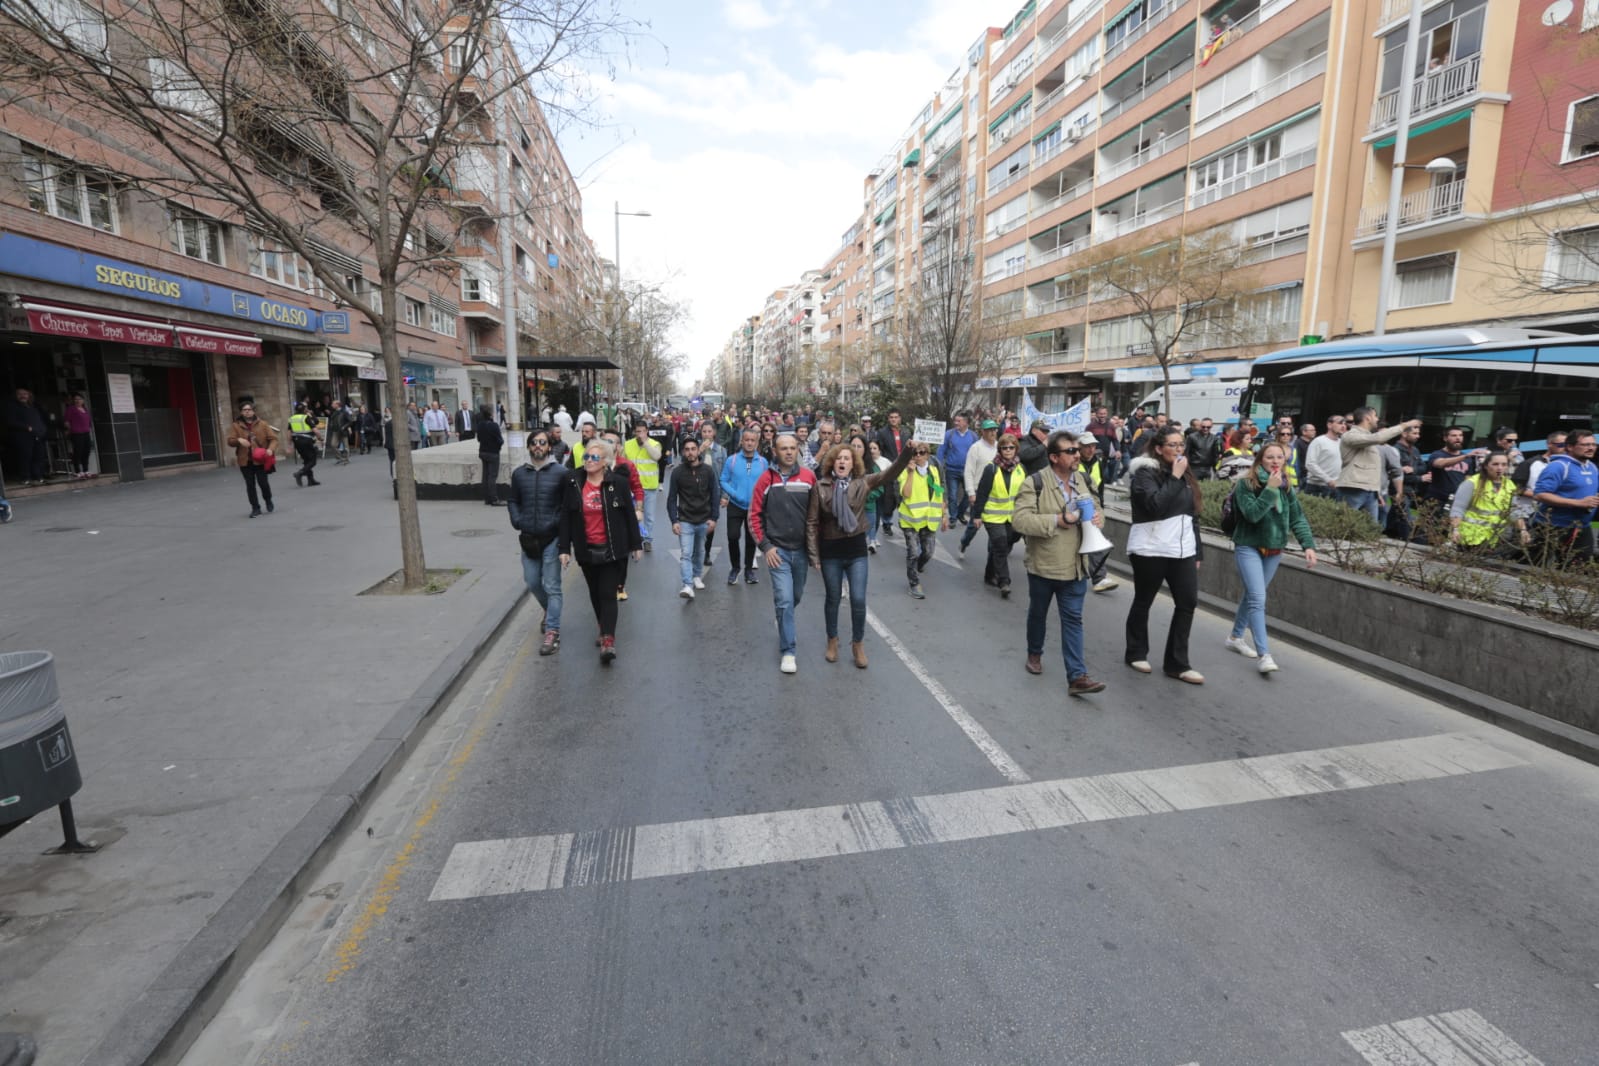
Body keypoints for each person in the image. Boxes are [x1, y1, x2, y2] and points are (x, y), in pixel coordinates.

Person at [1011, 431, 1107, 695]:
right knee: (1038, 613)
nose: (1078, 454)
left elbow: (1097, 507)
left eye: (1078, 450)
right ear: (1054, 457)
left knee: (1073, 619)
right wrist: (1057, 521)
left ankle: (1077, 677)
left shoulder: (1083, 479)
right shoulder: (1035, 483)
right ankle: (1034, 653)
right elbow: (1020, 521)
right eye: (1071, 451)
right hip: (1045, 565)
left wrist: (1099, 518)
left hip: (1077, 566)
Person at [807, 440, 915, 668]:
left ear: (853, 463)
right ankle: (832, 640)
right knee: (833, 598)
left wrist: (907, 452)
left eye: (847, 458)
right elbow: (812, 521)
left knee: (857, 598)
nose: (842, 462)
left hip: (856, 550)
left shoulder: (863, 483)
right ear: (832, 463)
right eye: (839, 458)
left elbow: (890, 473)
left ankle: (857, 644)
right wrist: (814, 555)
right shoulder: (821, 486)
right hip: (830, 552)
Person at [1224, 441, 1317, 674]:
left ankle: (1236, 637)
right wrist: (1270, 489)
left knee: (1253, 594)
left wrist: (1309, 545)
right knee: (1257, 598)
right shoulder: (1246, 483)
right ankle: (1265, 655)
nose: (1275, 461)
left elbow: (1297, 517)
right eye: (1269, 457)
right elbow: (1253, 515)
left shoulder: (1287, 485)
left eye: (1279, 457)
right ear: (1259, 460)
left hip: (1274, 549)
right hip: (1248, 545)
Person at [1125, 427, 1205, 684]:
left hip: (1182, 551)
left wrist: (1197, 552)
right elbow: (1154, 506)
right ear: (1159, 449)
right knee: (1144, 599)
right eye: (1172, 445)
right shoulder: (1144, 474)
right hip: (1151, 549)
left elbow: (1192, 516)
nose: (1179, 449)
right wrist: (1174, 477)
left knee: (1188, 602)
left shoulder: (1185, 476)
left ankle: (1177, 663)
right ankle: (1136, 652)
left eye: (1181, 445)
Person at [558, 439, 642, 664]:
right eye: (586, 456)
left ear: (605, 461)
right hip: (587, 548)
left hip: (613, 548)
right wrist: (564, 548)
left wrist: (636, 544)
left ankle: (608, 640)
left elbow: (629, 517)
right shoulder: (574, 482)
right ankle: (602, 626)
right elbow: (566, 515)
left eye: (594, 457)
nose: (589, 461)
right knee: (595, 594)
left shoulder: (619, 483)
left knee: (607, 593)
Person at [748, 434, 817, 674]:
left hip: (801, 551)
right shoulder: (766, 479)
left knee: (794, 596)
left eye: (792, 448)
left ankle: (783, 615)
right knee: (785, 600)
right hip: (778, 552)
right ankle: (788, 651)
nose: (789, 452)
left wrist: (816, 549)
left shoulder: (809, 477)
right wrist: (766, 546)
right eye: (783, 448)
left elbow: (816, 515)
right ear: (775, 451)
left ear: (798, 449)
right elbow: (754, 515)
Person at [508, 430, 570, 655]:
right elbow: (513, 500)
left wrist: (559, 532)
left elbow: (566, 507)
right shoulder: (519, 474)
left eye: (542, 443)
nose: (538, 446)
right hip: (528, 538)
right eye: (534, 443)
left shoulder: (561, 473)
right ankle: (549, 611)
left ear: (549, 447)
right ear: (529, 447)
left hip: (551, 538)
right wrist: (517, 520)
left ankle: (552, 631)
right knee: (533, 582)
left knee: (552, 585)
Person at [968, 433, 1025, 597]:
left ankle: (989, 573)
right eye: (1004, 448)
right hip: (993, 516)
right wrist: (977, 516)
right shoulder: (991, 468)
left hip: (1013, 517)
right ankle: (1004, 581)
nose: (1008, 451)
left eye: (1011, 447)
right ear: (999, 449)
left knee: (1004, 546)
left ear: (1016, 449)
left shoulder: (1021, 470)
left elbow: (1025, 494)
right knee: (1000, 544)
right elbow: (983, 494)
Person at [1532, 428, 1598, 564]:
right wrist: (1578, 503)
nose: (1591, 448)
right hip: (1552, 527)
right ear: (1570, 447)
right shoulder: (1558, 466)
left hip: (1582, 526)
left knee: (1578, 568)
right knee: (1536, 568)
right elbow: (1540, 494)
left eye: (1593, 444)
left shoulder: (1592, 467)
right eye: (1586, 445)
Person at [666, 436, 720, 600]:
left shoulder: (708, 471)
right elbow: (671, 498)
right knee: (686, 554)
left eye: (693, 449)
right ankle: (687, 585)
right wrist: (674, 521)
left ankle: (697, 575)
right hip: (685, 520)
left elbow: (715, 495)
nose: (690, 452)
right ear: (683, 452)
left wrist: (714, 518)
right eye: (687, 450)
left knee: (700, 551)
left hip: (704, 519)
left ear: (698, 451)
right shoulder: (677, 472)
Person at [1450, 451, 1526, 556]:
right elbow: (1458, 508)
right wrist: (1455, 529)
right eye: (1495, 464)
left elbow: (1514, 511)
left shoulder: (1509, 485)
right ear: (1486, 466)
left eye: (1504, 465)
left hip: (1493, 539)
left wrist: (1522, 530)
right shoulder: (1472, 483)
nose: (1500, 468)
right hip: (1468, 537)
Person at [897, 442, 947, 599]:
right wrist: (911, 473)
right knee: (912, 553)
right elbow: (905, 493)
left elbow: (938, 492)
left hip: (928, 520)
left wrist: (944, 514)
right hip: (910, 520)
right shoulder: (904, 472)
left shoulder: (933, 471)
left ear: (928, 454)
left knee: (928, 552)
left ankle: (919, 565)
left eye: (922, 452)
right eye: (915, 453)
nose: (918, 456)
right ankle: (914, 584)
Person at [720, 427, 768, 584]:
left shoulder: (762, 462)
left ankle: (749, 570)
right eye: (746, 440)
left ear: (756, 442)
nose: (749, 443)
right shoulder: (731, 460)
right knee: (733, 536)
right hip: (735, 505)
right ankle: (735, 568)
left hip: (754, 507)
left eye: (752, 440)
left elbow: (767, 483)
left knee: (751, 539)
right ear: (741, 441)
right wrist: (733, 494)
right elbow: (723, 480)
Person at [1076, 435, 1118, 592]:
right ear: (1079, 446)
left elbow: (1100, 488)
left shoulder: (1097, 463)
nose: (1091, 449)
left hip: (1091, 509)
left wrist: (1100, 508)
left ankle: (1099, 578)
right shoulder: (1072, 461)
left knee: (1094, 542)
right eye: (1087, 446)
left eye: (1093, 446)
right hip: (1073, 508)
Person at [227, 400, 279, 517]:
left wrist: (270, 449)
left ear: (253, 411)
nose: (247, 412)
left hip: (260, 459)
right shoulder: (236, 426)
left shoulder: (263, 424)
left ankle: (268, 499)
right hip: (245, 461)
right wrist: (239, 440)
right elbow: (230, 441)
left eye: (249, 410)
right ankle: (255, 507)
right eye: (244, 410)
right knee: (250, 485)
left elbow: (274, 439)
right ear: (241, 412)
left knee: (263, 483)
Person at [959, 419, 1001, 556]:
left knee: (995, 525)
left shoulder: (1001, 447)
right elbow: (969, 471)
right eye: (989, 430)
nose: (992, 432)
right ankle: (964, 542)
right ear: (982, 431)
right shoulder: (976, 448)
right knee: (974, 525)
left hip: (997, 492)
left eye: (994, 429)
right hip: (979, 491)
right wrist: (971, 492)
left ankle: (993, 555)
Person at [624, 421, 664, 551]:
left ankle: (647, 539)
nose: (640, 434)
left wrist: (645, 443)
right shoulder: (628, 445)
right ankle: (634, 539)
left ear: (647, 431)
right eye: (637, 431)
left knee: (649, 517)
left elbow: (657, 456)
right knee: (633, 515)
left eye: (642, 431)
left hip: (649, 486)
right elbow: (622, 462)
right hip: (632, 487)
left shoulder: (654, 444)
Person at [873, 409, 909, 539]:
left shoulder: (905, 432)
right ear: (888, 419)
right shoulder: (882, 433)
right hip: (890, 468)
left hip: (905, 468)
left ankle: (904, 521)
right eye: (891, 417)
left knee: (904, 495)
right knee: (889, 496)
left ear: (900, 418)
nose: (894, 419)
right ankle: (887, 522)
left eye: (896, 417)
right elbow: (879, 451)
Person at [937, 412, 977, 525]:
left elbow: (977, 453)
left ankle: (960, 513)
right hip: (951, 470)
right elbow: (941, 450)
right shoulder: (949, 435)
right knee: (952, 495)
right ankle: (953, 518)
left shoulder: (973, 436)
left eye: (959, 421)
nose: (956, 423)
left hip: (968, 471)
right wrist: (937, 466)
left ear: (966, 422)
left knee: (969, 494)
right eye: (955, 420)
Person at [6, 387, 49, 485]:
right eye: (20, 394)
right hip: (23, 437)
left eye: (25, 394)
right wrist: (27, 428)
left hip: (37, 436)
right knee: (25, 458)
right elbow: (11, 422)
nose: (23, 396)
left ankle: (38, 476)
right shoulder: (13, 407)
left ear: (29, 395)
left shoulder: (33, 407)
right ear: (16, 396)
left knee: (38, 457)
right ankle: (25, 478)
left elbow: (40, 420)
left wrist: (42, 430)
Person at [1304, 415, 1344, 497]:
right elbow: (1310, 464)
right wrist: (1329, 480)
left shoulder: (1342, 443)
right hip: (1317, 487)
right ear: (1329, 425)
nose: (1343, 426)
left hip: (1337, 487)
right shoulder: (1319, 441)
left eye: (1344, 423)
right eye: (1340, 423)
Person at [476, 405, 505, 506]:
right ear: (490, 414)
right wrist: (498, 447)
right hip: (493, 453)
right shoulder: (494, 425)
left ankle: (487, 498)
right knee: (492, 476)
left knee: (485, 475)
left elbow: (479, 439)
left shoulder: (480, 425)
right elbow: (500, 440)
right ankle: (494, 499)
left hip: (483, 451)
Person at [288, 402, 322, 487]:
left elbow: (289, 432)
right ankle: (300, 473)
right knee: (312, 461)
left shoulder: (291, 418)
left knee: (306, 460)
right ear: (304, 409)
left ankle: (311, 480)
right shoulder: (306, 417)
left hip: (297, 441)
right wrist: (320, 438)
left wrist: (290, 444)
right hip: (306, 441)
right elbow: (315, 430)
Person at [63, 393, 93, 479]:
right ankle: (77, 471)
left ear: (83, 400)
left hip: (86, 433)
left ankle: (86, 470)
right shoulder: (71, 409)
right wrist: (69, 429)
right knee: (78, 452)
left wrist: (88, 428)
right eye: (75, 399)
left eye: (79, 399)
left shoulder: (85, 409)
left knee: (86, 451)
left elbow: (88, 421)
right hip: (76, 433)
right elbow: (66, 421)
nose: (77, 400)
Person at [327, 399, 351, 465]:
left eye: (333, 404)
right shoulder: (334, 412)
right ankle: (340, 458)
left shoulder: (344, 412)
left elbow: (350, 421)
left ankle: (346, 459)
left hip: (343, 431)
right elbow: (332, 420)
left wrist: (344, 427)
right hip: (335, 431)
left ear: (337, 405)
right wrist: (331, 425)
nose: (332, 405)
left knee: (346, 446)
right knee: (333, 445)